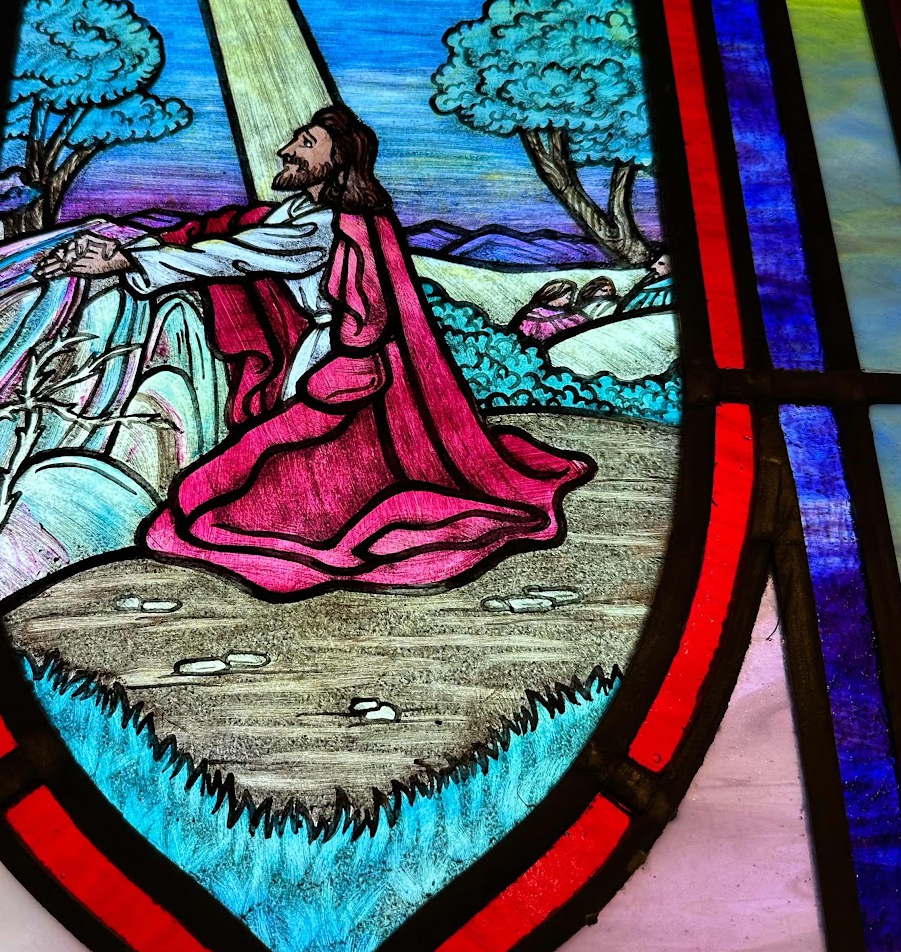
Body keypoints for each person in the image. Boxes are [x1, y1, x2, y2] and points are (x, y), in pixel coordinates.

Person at [41, 105, 593, 598]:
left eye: (306, 143)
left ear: (338, 161)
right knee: (252, 478)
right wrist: (127, 247)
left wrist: (127, 263)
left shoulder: (326, 227)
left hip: (339, 363)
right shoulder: (297, 213)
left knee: (246, 493)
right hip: (319, 357)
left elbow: (233, 256)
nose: (287, 150)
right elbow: (225, 234)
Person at [512, 279, 587, 344]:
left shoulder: (572, 315)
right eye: (567, 294)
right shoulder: (531, 311)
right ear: (555, 292)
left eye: (571, 294)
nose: (571, 297)